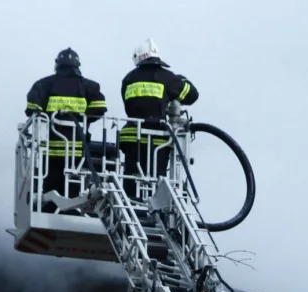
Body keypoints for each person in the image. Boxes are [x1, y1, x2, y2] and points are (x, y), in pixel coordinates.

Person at [25, 48, 108, 213]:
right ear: (77, 65)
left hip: (50, 149)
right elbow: (100, 108)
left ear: (57, 64)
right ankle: (73, 212)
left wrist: (49, 116)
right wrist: (83, 118)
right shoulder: (89, 86)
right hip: (76, 149)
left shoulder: (43, 84)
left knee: (50, 184)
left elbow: (32, 109)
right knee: (75, 185)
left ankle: (49, 212)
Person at [119, 38, 199, 201]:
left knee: (131, 179)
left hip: (132, 136)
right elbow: (192, 95)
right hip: (157, 139)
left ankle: (132, 205)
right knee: (157, 179)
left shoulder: (128, 79)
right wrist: (182, 81)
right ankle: (156, 210)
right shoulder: (167, 78)